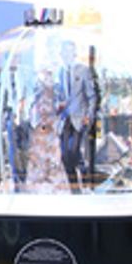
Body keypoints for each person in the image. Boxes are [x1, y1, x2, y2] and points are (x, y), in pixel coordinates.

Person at [56, 39, 96, 190]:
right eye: (64, 51)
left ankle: (84, 172)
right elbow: (58, 95)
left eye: (69, 51)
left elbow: (91, 96)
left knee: (73, 151)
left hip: (79, 118)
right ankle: (74, 188)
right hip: (64, 118)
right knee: (65, 156)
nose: (66, 54)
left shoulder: (83, 70)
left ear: (74, 53)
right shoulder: (60, 72)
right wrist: (58, 106)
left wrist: (89, 116)